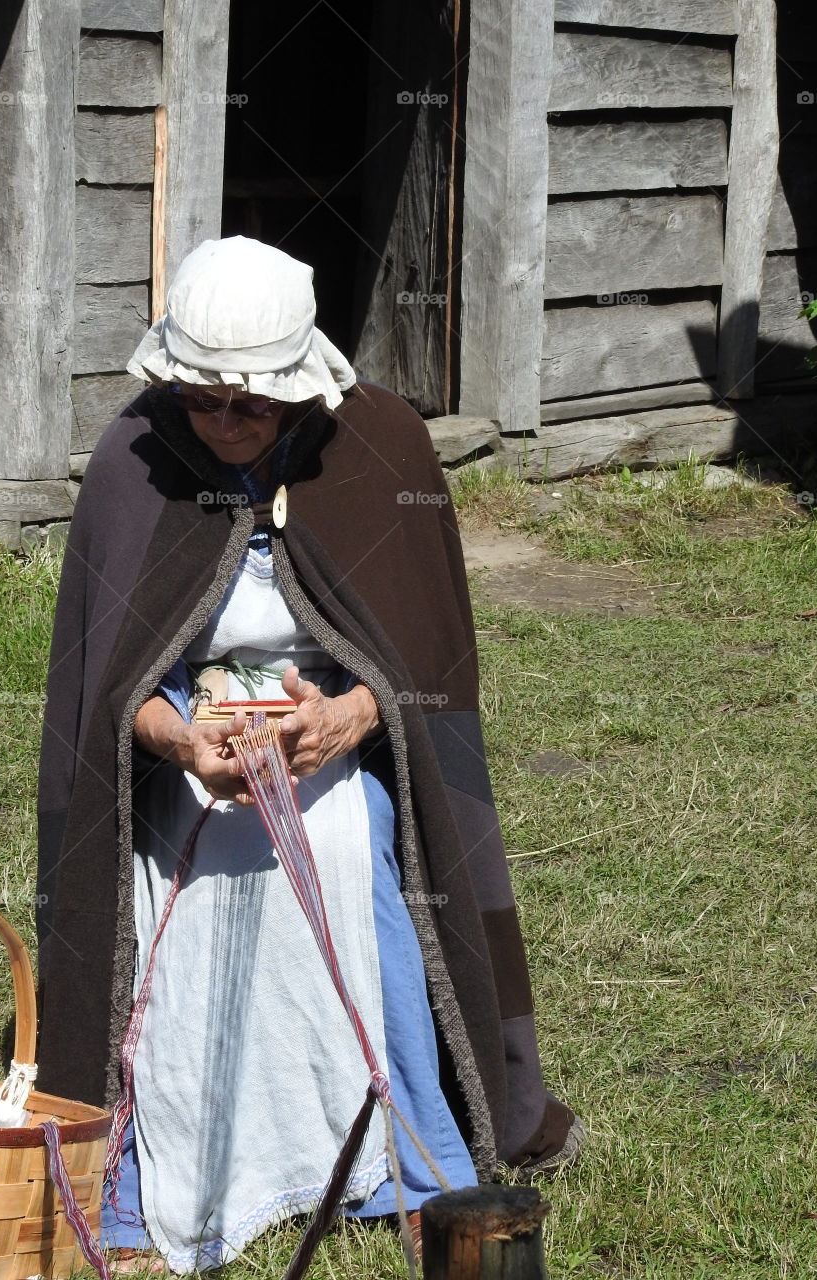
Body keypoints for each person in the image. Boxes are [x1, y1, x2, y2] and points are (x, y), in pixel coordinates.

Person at [36, 236, 584, 1273]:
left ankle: (414, 1169)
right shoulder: (133, 456)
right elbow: (102, 685)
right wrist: (176, 736)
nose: (228, 424)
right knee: (166, 889)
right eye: (205, 400)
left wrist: (353, 716)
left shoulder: (379, 445)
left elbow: (426, 658)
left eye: (254, 405)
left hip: (334, 740)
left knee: (356, 850)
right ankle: (147, 1187)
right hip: (189, 751)